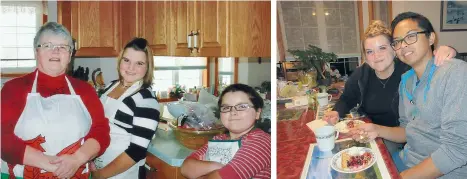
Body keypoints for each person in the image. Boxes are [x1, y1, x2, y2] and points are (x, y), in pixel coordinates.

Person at [351, 12, 467, 178]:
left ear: (431, 38)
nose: (403, 45)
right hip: (407, 159)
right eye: (397, 42)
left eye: (411, 36)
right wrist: (376, 129)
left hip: (445, 172)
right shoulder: (407, 80)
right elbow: (407, 130)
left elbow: (456, 150)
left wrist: (402, 176)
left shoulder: (455, 73)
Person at [322, 20, 457, 154]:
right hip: (372, 131)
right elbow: (347, 98)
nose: (376, 56)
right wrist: (336, 112)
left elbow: (431, 66)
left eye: (382, 48)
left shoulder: (409, 71)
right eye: (369, 51)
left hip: (403, 139)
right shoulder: (361, 74)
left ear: (394, 49)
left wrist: (447, 50)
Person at [1, 22, 110, 178]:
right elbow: (3, 140)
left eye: (63, 47)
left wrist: (76, 160)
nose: (56, 51)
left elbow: (101, 131)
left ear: (70, 55)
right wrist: (52, 165)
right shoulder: (14, 89)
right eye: (48, 45)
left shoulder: (85, 90)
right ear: (36, 51)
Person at [90, 38, 160, 179]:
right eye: (126, 60)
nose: (130, 68)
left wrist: (100, 175)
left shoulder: (146, 100)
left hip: (123, 175)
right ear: (120, 60)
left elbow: (136, 151)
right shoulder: (110, 86)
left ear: (148, 67)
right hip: (98, 167)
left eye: (139, 63)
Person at [181, 84, 271, 179]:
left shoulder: (262, 142)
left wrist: (204, 171)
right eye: (226, 108)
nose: (233, 112)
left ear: (257, 113)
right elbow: (186, 168)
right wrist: (218, 167)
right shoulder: (218, 139)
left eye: (242, 106)